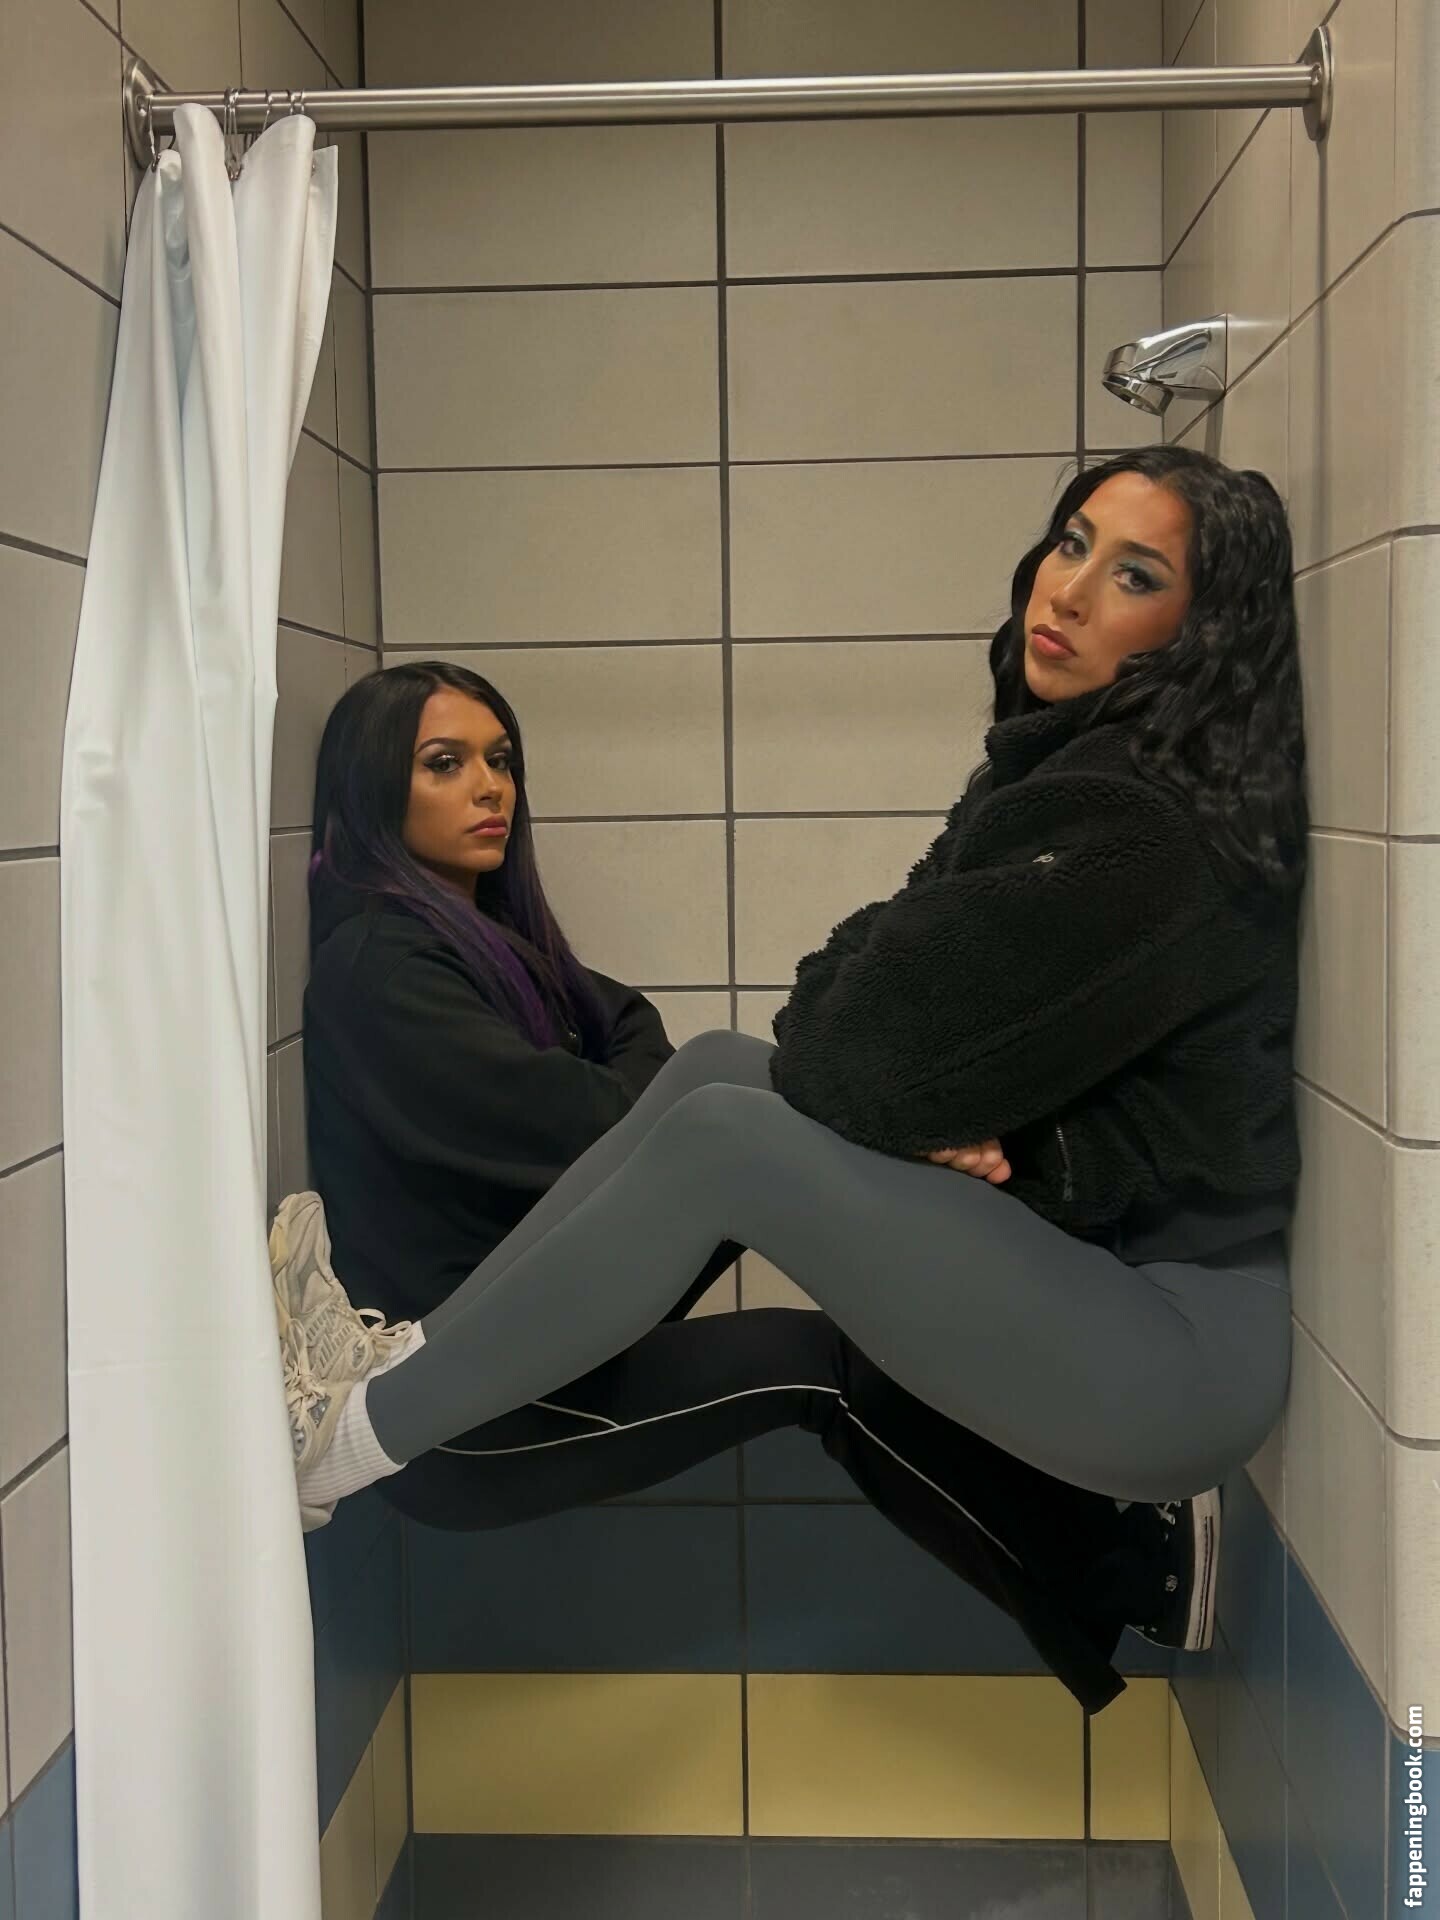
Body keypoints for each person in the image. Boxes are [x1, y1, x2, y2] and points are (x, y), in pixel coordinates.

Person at [282, 444, 1305, 1714]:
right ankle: (401, 1365)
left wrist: (931, 1099)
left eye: (1135, 575)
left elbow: (852, 1040)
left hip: (1172, 1358)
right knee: (722, 1070)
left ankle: (345, 1445)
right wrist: (942, 1108)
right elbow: (852, 1007)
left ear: (1198, 636)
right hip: (1113, 1284)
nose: (1071, 588)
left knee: (731, 1137)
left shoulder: (1137, 826)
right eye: (1073, 542)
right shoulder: (1064, 777)